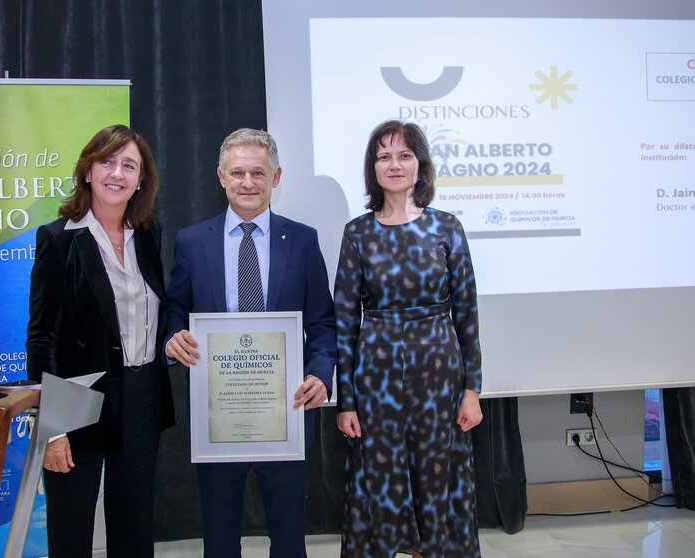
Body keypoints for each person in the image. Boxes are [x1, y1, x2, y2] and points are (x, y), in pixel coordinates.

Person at [164, 128, 336, 558]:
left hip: (286, 409)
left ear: (276, 177)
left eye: (258, 172)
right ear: (221, 176)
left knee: (289, 538)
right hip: (218, 414)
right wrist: (172, 339)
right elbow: (174, 309)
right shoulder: (192, 240)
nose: (247, 182)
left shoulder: (303, 239)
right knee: (219, 539)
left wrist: (320, 373)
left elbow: (322, 322)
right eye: (237, 172)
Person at [335, 120, 484, 558]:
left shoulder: (447, 228)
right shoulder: (357, 233)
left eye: (404, 155)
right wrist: (347, 401)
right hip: (375, 380)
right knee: (377, 481)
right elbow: (344, 320)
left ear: (421, 165)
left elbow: (468, 315)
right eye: (384, 156)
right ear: (372, 168)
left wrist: (472, 389)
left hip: (439, 377)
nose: (394, 164)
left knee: (438, 478)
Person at [25, 124, 175, 557]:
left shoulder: (148, 235)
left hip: (141, 396)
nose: (117, 173)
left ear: (142, 180)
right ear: (87, 170)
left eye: (129, 165)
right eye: (107, 161)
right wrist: (53, 429)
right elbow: (42, 337)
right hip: (77, 401)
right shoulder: (58, 238)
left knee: (134, 530)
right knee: (71, 532)